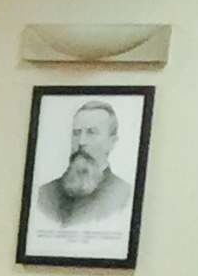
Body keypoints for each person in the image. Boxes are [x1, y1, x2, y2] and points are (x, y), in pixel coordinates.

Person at [34, 99, 135, 232]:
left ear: (112, 142)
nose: (81, 142)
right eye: (76, 133)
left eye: (91, 132)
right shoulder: (45, 193)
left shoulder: (124, 195)